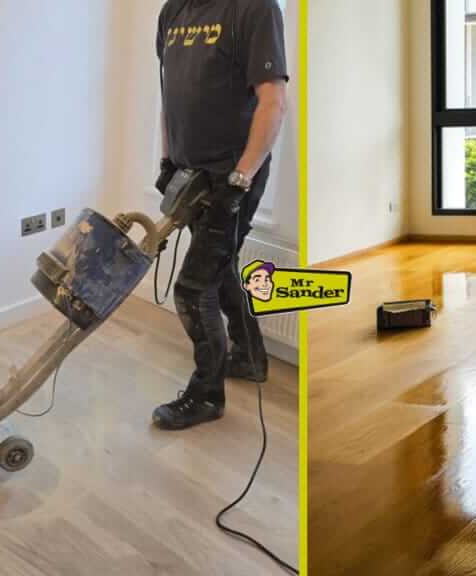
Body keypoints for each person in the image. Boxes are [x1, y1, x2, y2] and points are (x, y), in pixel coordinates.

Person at [152, 0, 288, 430]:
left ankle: (207, 395)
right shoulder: (173, 11)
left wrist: (240, 178)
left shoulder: (254, 8)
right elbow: (170, 95)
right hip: (190, 173)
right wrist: (167, 160)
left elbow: (273, 102)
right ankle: (248, 356)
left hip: (233, 173)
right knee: (219, 266)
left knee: (194, 288)